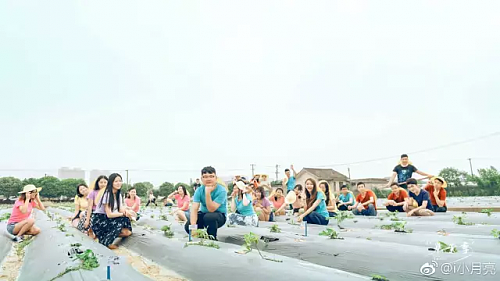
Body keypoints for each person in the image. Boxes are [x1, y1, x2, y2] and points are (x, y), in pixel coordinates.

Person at [185, 166, 227, 240]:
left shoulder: (221, 190)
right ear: (201, 179)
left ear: (216, 178)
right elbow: (194, 209)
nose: (208, 179)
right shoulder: (199, 190)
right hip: (204, 215)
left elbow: (211, 209)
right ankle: (201, 237)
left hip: (218, 216)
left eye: (211, 176)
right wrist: (193, 227)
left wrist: (207, 193)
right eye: (205, 177)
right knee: (188, 225)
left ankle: (212, 238)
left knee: (210, 216)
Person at [92, 173, 133, 249]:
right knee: (123, 219)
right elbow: (109, 214)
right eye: (116, 181)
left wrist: (127, 212)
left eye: (120, 181)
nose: (118, 183)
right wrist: (123, 214)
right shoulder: (107, 194)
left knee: (127, 232)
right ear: (111, 183)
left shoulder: (118, 194)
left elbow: (121, 209)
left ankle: (104, 236)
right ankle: (106, 242)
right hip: (100, 220)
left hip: (108, 220)